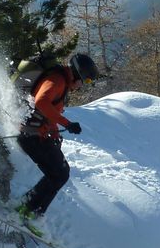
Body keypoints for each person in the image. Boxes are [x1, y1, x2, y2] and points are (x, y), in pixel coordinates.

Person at [16, 52, 99, 222]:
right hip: (31, 135)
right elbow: (41, 102)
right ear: (78, 74)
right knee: (59, 174)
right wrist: (66, 123)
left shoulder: (62, 81)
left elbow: (48, 111)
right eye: (87, 80)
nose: (84, 85)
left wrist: (54, 131)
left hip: (35, 132)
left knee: (59, 173)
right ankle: (28, 210)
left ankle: (29, 209)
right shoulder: (57, 81)